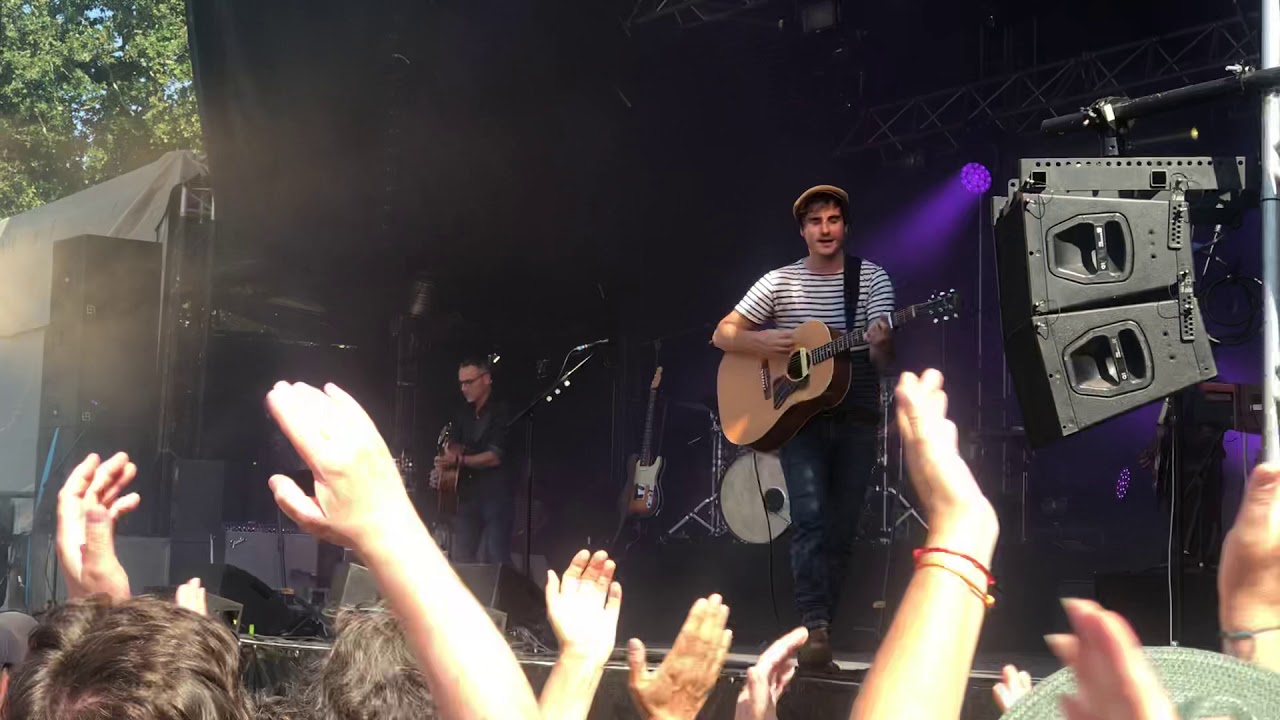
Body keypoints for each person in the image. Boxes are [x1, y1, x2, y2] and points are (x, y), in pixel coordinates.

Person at [712, 184, 895, 668]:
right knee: (810, 521)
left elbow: (881, 356)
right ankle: (816, 630)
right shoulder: (778, 281)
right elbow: (723, 333)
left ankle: (822, 628)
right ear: (803, 231)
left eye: (834, 219)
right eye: (816, 222)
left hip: (856, 414)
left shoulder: (871, 279)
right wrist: (766, 341)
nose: (825, 229)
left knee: (841, 531)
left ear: (845, 227)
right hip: (800, 420)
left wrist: (881, 342)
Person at [435, 356, 515, 565]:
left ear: (486, 379)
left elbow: (494, 457)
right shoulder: (463, 414)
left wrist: (458, 460)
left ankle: (505, 598)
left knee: (496, 556)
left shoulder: (501, 410)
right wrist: (442, 468)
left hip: (496, 496)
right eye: (461, 383)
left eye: (469, 382)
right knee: (462, 559)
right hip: (468, 495)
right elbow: (453, 447)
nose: (464, 388)